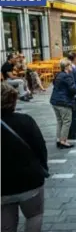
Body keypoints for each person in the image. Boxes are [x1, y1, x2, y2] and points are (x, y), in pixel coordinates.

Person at [1, 83, 48, 232]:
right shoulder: (26, 120)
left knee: (6, 223)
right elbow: (40, 147)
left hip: (3, 185)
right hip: (29, 180)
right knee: (34, 216)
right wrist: (43, 167)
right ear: (13, 100)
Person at [50, 58, 76, 149]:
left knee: (59, 121)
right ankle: (63, 141)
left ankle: (59, 140)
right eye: (70, 65)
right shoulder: (67, 76)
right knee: (66, 121)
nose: (72, 67)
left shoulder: (58, 74)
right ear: (66, 67)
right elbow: (73, 89)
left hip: (55, 101)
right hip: (64, 102)